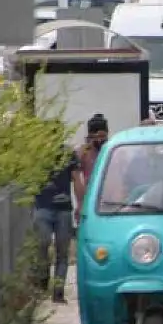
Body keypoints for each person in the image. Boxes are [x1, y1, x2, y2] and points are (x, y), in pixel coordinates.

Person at [33, 148, 78, 303]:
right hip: (43, 206)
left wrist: (80, 203)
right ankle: (43, 280)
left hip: (62, 208)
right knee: (43, 245)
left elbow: (76, 178)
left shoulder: (68, 155)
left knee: (61, 251)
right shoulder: (37, 153)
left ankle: (57, 291)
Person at [72, 114, 109, 220]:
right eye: (98, 137)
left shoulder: (111, 149)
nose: (100, 140)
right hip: (90, 197)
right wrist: (80, 203)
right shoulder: (83, 152)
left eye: (103, 137)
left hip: (109, 199)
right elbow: (77, 179)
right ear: (91, 136)